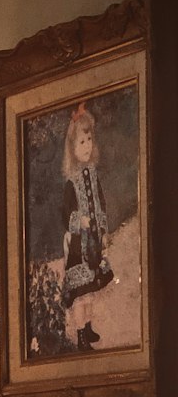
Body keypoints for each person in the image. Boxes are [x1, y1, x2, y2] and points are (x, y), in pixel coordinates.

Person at [61, 102, 113, 350]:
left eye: (89, 140)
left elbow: (100, 204)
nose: (87, 146)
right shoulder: (71, 181)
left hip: (93, 242)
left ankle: (89, 327)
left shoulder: (93, 175)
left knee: (91, 289)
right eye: (81, 142)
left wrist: (103, 232)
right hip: (79, 245)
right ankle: (80, 333)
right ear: (72, 148)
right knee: (81, 294)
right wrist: (77, 220)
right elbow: (64, 213)